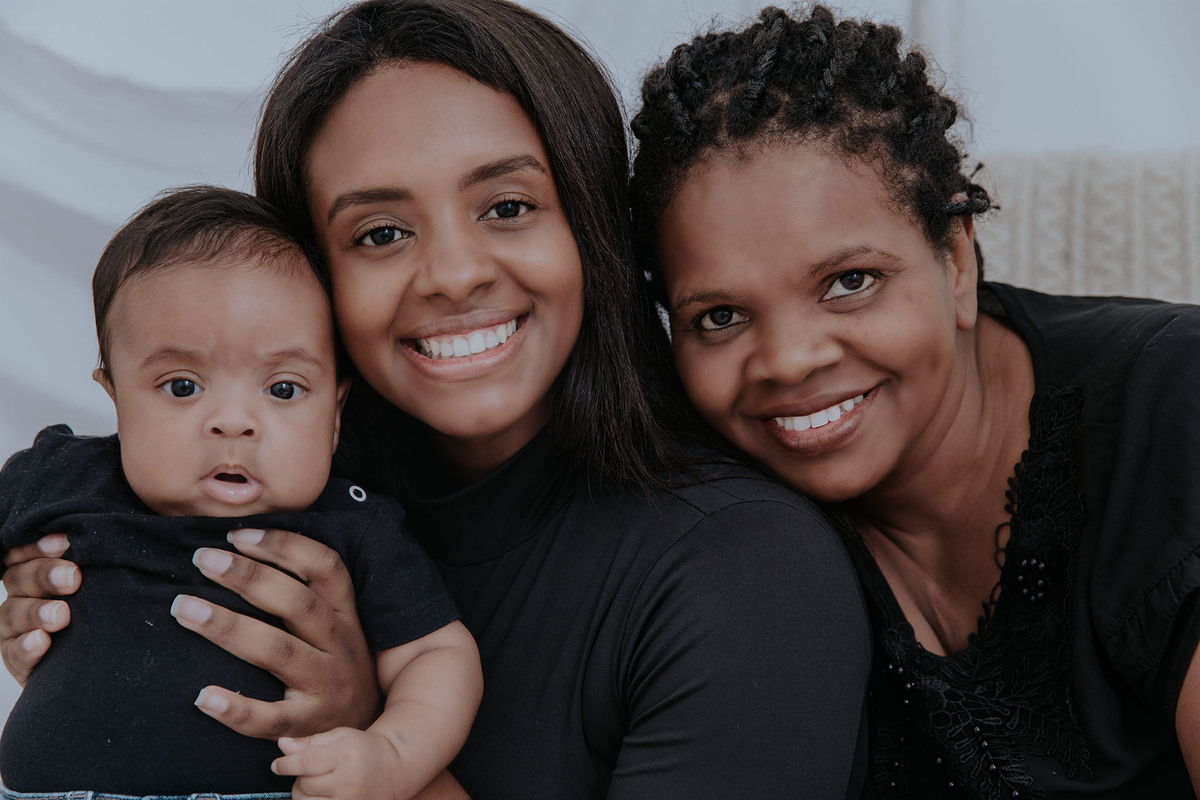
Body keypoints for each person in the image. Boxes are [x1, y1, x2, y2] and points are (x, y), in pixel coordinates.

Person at [0, 2, 872, 799]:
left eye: (507, 206)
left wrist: (360, 722)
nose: (454, 274)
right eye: (380, 233)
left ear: (593, 224)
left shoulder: (749, 574)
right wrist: (69, 602)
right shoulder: (257, 492)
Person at [628, 5, 1200, 799]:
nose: (789, 361)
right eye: (719, 317)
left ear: (957, 261)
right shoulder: (715, 526)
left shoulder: (1171, 405)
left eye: (849, 282)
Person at [0, 186, 481, 800]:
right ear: (115, 397)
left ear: (334, 414)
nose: (233, 421)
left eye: (282, 389)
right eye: (181, 387)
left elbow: (437, 655)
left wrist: (390, 754)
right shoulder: (64, 480)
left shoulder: (350, 524)